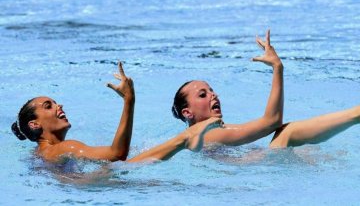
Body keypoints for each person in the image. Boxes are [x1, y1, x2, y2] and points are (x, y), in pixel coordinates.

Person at [172, 30, 360, 148]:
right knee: (286, 132)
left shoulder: (208, 134)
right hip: (263, 172)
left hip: (264, 169)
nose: (213, 94)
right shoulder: (208, 135)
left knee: (293, 139)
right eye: (203, 94)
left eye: (211, 90)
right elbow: (271, 121)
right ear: (187, 113)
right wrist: (277, 68)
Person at [12, 62, 223, 163]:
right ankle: (186, 138)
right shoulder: (65, 147)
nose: (59, 107)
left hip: (88, 186)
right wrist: (129, 101)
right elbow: (116, 155)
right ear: (34, 124)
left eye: (56, 102)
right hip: (98, 184)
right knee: (131, 163)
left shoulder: (38, 156)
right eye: (48, 106)